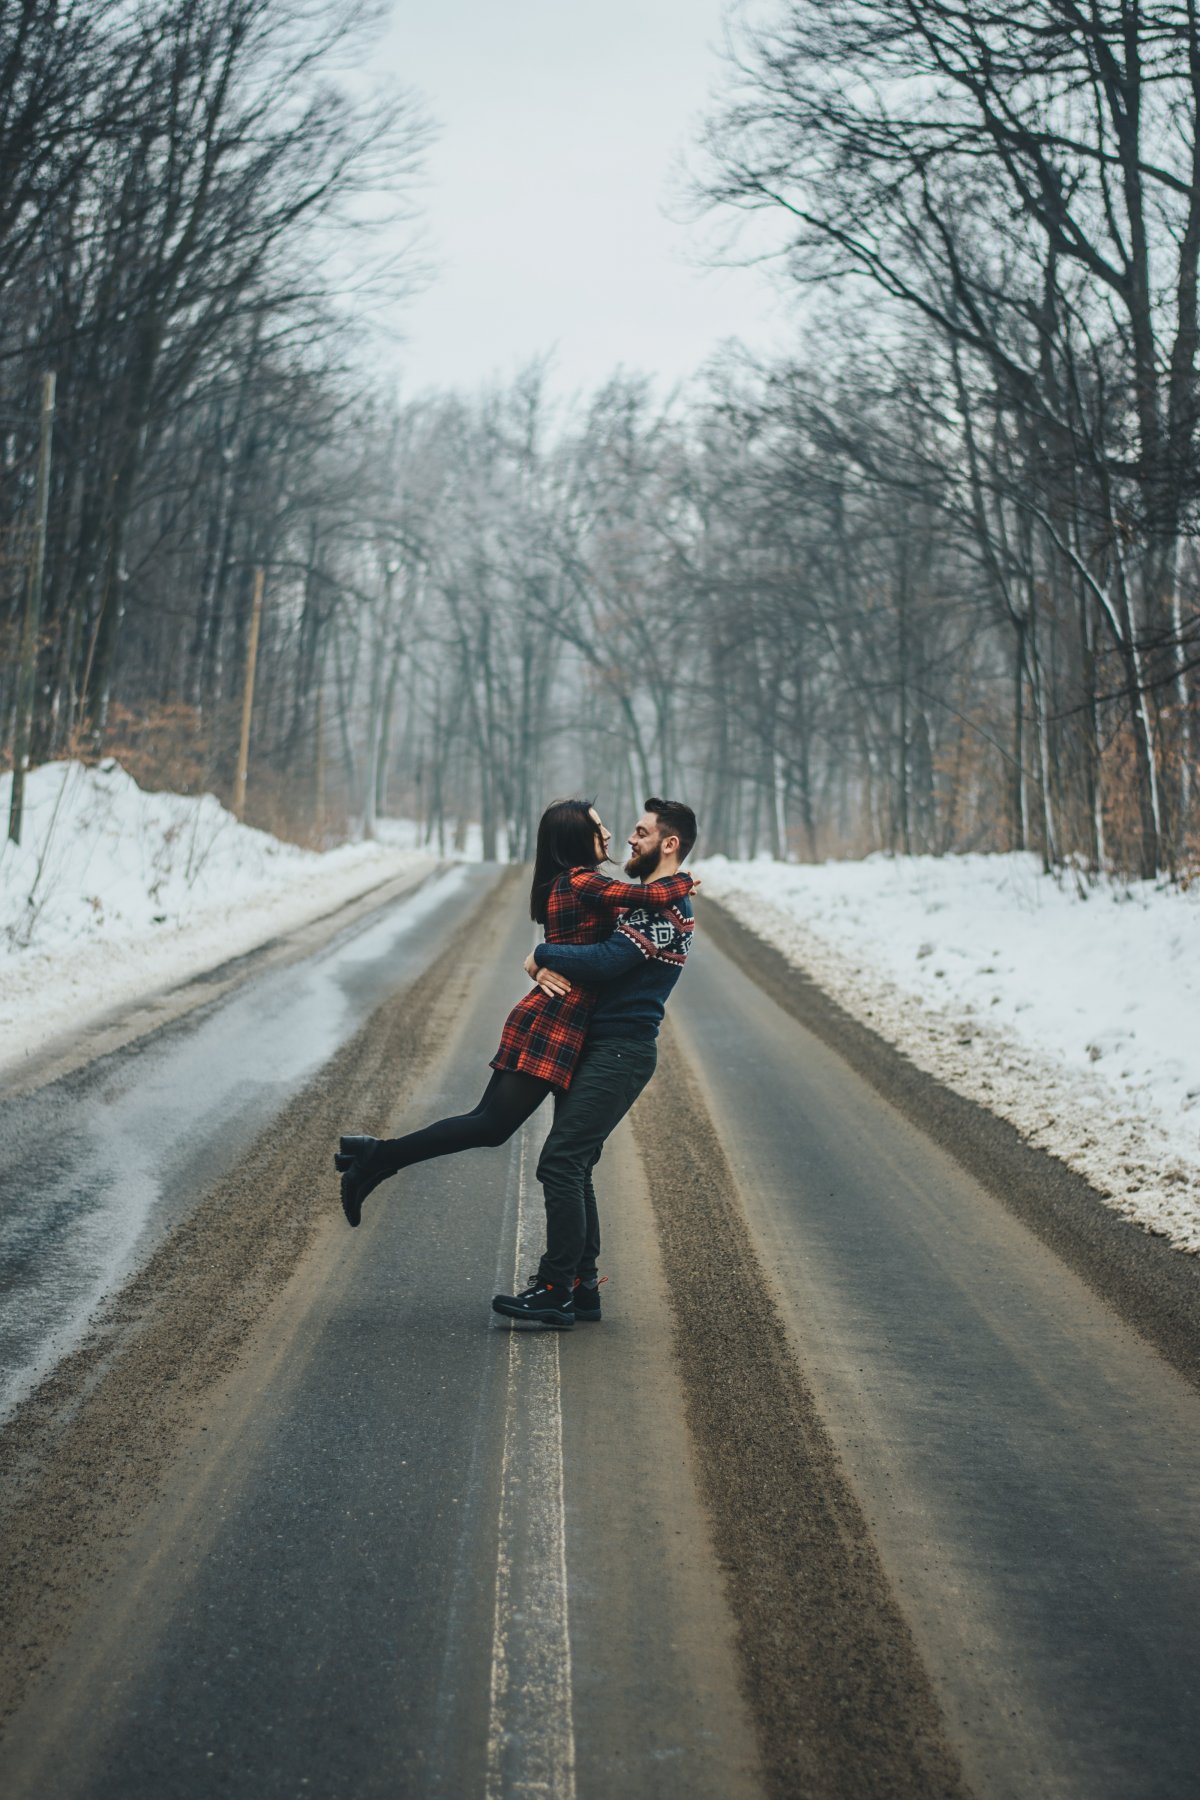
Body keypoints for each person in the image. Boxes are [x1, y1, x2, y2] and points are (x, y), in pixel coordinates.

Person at [334, 798, 694, 1229]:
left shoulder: (578, 884)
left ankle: (375, 1156)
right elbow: (637, 907)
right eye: (600, 828)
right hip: (555, 1021)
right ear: (576, 836)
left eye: (629, 830)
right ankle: (376, 1157)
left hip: (561, 1019)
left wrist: (542, 957)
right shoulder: (580, 882)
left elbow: (607, 940)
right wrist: (683, 880)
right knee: (491, 1125)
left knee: (490, 1124)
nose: (613, 836)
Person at [491, 797, 698, 1330]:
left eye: (641, 831)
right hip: (601, 1045)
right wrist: (543, 957)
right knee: (575, 1164)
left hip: (623, 1050)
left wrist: (544, 955)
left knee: (559, 1161)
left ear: (668, 843)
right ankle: (582, 1290)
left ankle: (556, 1289)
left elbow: (607, 961)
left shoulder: (668, 910)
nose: (629, 839)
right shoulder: (643, 901)